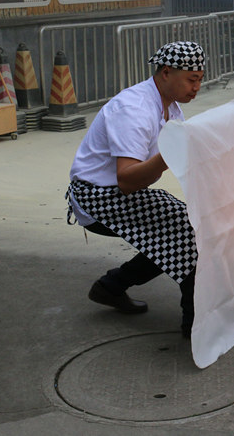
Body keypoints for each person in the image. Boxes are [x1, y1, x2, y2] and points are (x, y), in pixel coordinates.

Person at [65, 41, 205, 337]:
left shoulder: (172, 108)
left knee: (189, 223)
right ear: (166, 72)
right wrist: (169, 155)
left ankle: (110, 287)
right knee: (189, 233)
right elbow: (127, 180)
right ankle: (197, 327)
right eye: (192, 79)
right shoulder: (134, 108)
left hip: (121, 190)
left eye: (200, 79)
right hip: (97, 196)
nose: (197, 87)